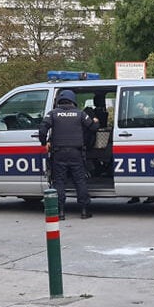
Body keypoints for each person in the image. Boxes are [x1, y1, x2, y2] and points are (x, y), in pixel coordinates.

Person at [39, 90, 98, 220]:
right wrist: (96, 121)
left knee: (59, 182)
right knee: (80, 180)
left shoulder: (52, 114)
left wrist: (44, 143)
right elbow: (93, 128)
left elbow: (42, 130)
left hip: (58, 153)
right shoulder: (80, 114)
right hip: (76, 153)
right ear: (73, 101)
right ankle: (84, 211)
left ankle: (60, 212)